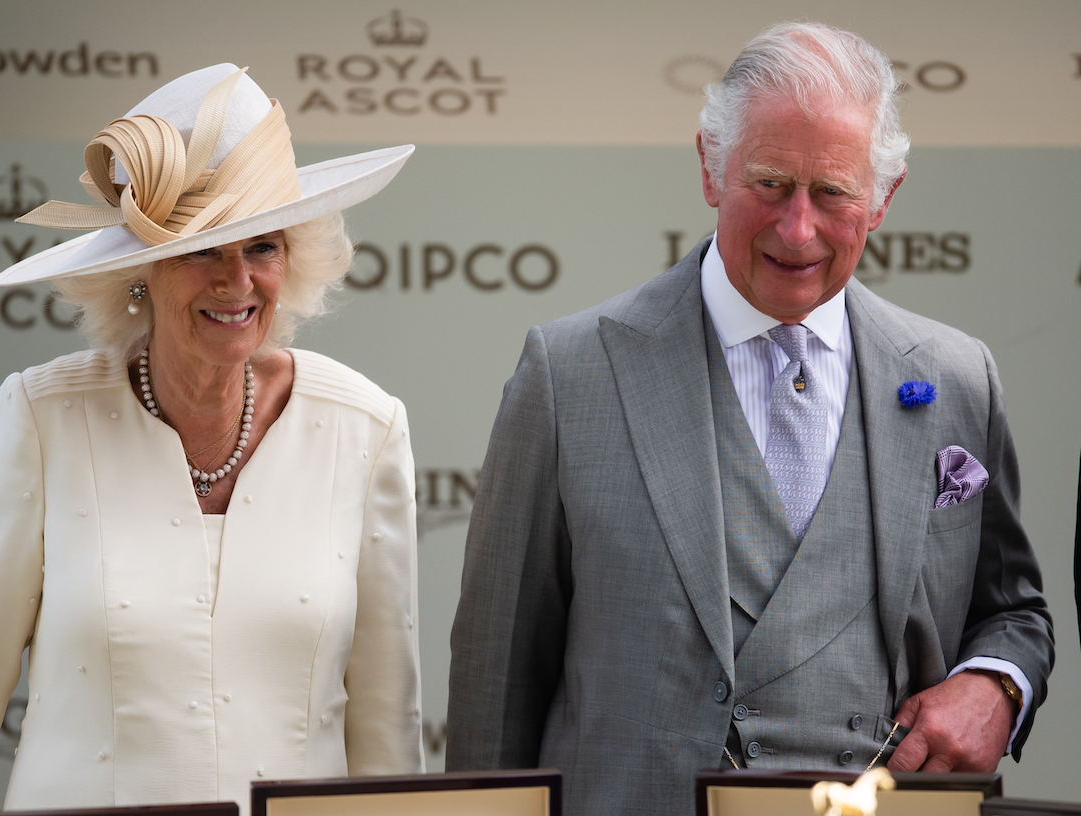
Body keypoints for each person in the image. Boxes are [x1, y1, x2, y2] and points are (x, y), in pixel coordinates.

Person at [446, 22, 1053, 816]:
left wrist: (995, 686)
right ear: (709, 164)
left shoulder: (956, 379)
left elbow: (1014, 612)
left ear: (883, 198)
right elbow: (497, 684)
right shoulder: (569, 377)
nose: (797, 229)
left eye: (832, 193)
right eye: (768, 183)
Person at [0, 64, 423, 814]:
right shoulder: (42, 417)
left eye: (261, 246)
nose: (237, 282)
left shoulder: (365, 427)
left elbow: (386, 745)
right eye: (204, 248)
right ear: (139, 273)